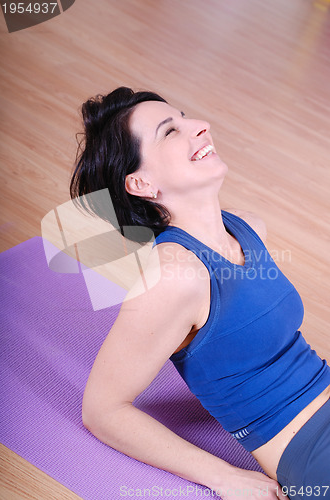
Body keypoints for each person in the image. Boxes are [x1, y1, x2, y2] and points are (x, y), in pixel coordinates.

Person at [70, 87, 330, 499]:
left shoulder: (248, 228)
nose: (200, 126)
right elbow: (102, 411)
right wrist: (224, 476)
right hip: (313, 451)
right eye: (170, 131)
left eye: (185, 116)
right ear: (140, 183)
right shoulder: (173, 275)